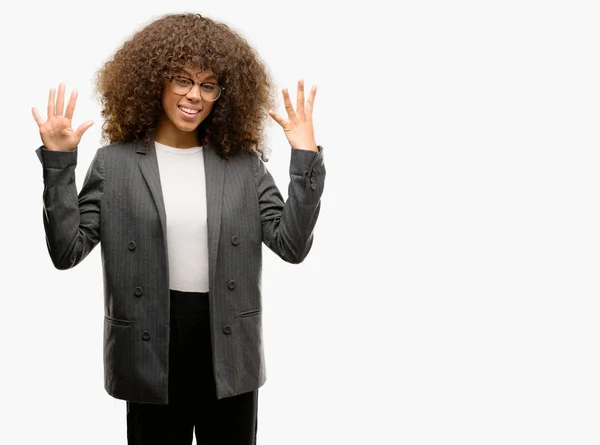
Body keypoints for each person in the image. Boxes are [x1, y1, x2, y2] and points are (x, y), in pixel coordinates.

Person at [31, 12, 325, 445]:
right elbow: (66, 251)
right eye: (183, 80)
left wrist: (304, 156)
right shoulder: (114, 164)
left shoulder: (244, 166)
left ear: (223, 94)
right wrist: (59, 164)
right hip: (150, 349)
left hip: (229, 349)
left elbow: (292, 245)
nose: (195, 96)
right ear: (156, 82)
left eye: (208, 85)